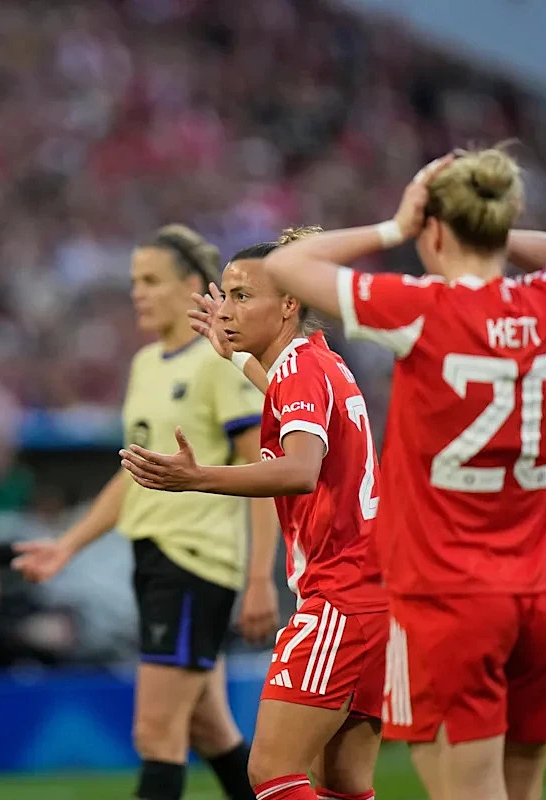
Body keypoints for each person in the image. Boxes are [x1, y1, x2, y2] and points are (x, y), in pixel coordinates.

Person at [255, 148, 546, 800]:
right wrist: (488, 227)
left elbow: (286, 266)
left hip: (449, 596)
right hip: (541, 591)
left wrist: (394, 226)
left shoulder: (422, 308)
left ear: (434, 230)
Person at [12, 224, 279, 800]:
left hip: (194, 563)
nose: (137, 292)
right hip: (156, 558)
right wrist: (67, 545)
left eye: (151, 280)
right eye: (135, 281)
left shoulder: (218, 362)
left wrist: (260, 576)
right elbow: (132, 475)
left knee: (155, 734)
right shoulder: (146, 365)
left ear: (191, 286)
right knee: (210, 730)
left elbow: (263, 470)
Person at [120, 228, 388, 800]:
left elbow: (299, 470)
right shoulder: (318, 362)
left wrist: (199, 478)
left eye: (243, 297)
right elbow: (294, 415)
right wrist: (240, 356)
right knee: (342, 783)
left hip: (341, 595)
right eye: (226, 296)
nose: (227, 310)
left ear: (289, 304)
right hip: (375, 595)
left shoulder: (299, 370)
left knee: (271, 773)